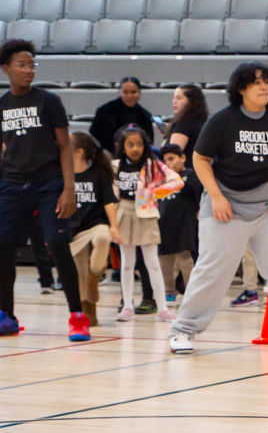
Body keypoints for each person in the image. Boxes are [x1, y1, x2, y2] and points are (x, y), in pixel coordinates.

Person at [168, 62, 268, 354]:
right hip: (225, 204)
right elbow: (200, 159)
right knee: (211, 270)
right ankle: (183, 330)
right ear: (241, 89)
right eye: (257, 82)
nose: (264, 87)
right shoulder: (222, 121)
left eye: (267, 81)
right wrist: (217, 197)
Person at [0, 39, 88, 340]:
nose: (28, 70)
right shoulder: (2, 105)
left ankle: (77, 315)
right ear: (5, 69)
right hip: (12, 184)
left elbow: (65, 146)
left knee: (57, 243)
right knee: (3, 248)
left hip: (48, 183)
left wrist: (69, 188)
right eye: (21, 65)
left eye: (32, 65)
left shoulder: (48, 101)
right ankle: (6, 316)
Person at [112, 125, 183, 322]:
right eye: (130, 145)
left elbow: (176, 181)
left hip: (146, 213)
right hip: (123, 212)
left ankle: (162, 307)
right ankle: (127, 306)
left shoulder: (153, 165)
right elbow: (108, 188)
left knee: (152, 263)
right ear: (122, 147)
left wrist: (154, 193)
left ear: (146, 146)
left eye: (139, 144)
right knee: (127, 264)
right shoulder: (115, 165)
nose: (135, 148)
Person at [68, 132, 118, 327]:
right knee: (78, 272)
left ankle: (95, 275)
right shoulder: (62, 171)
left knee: (103, 238)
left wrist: (114, 226)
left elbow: (109, 201)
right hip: (73, 228)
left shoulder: (99, 172)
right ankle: (88, 309)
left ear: (79, 151)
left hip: (96, 224)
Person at [158, 143, 201, 309]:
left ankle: (191, 291)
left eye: (171, 158)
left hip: (184, 221)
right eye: (165, 160)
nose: (168, 163)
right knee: (164, 258)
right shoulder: (161, 178)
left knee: (184, 257)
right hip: (164, 221)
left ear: (182, 158)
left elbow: (197, 192)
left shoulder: (189, 175)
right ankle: (168, 291)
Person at [90, 76, 154, 155]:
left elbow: (148, 142)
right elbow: (96, 137)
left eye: (133, 92)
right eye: (125, 92)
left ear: (139, 93)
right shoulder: (104, 111)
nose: (129, 96)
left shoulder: (145, 116)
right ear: (120, 92)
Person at [165, 84, 208, 164]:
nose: (174, 101)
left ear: (192, 101)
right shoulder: (202, 121)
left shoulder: (183, 123)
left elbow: (172, 155)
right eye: (174, 98)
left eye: (179, 98)